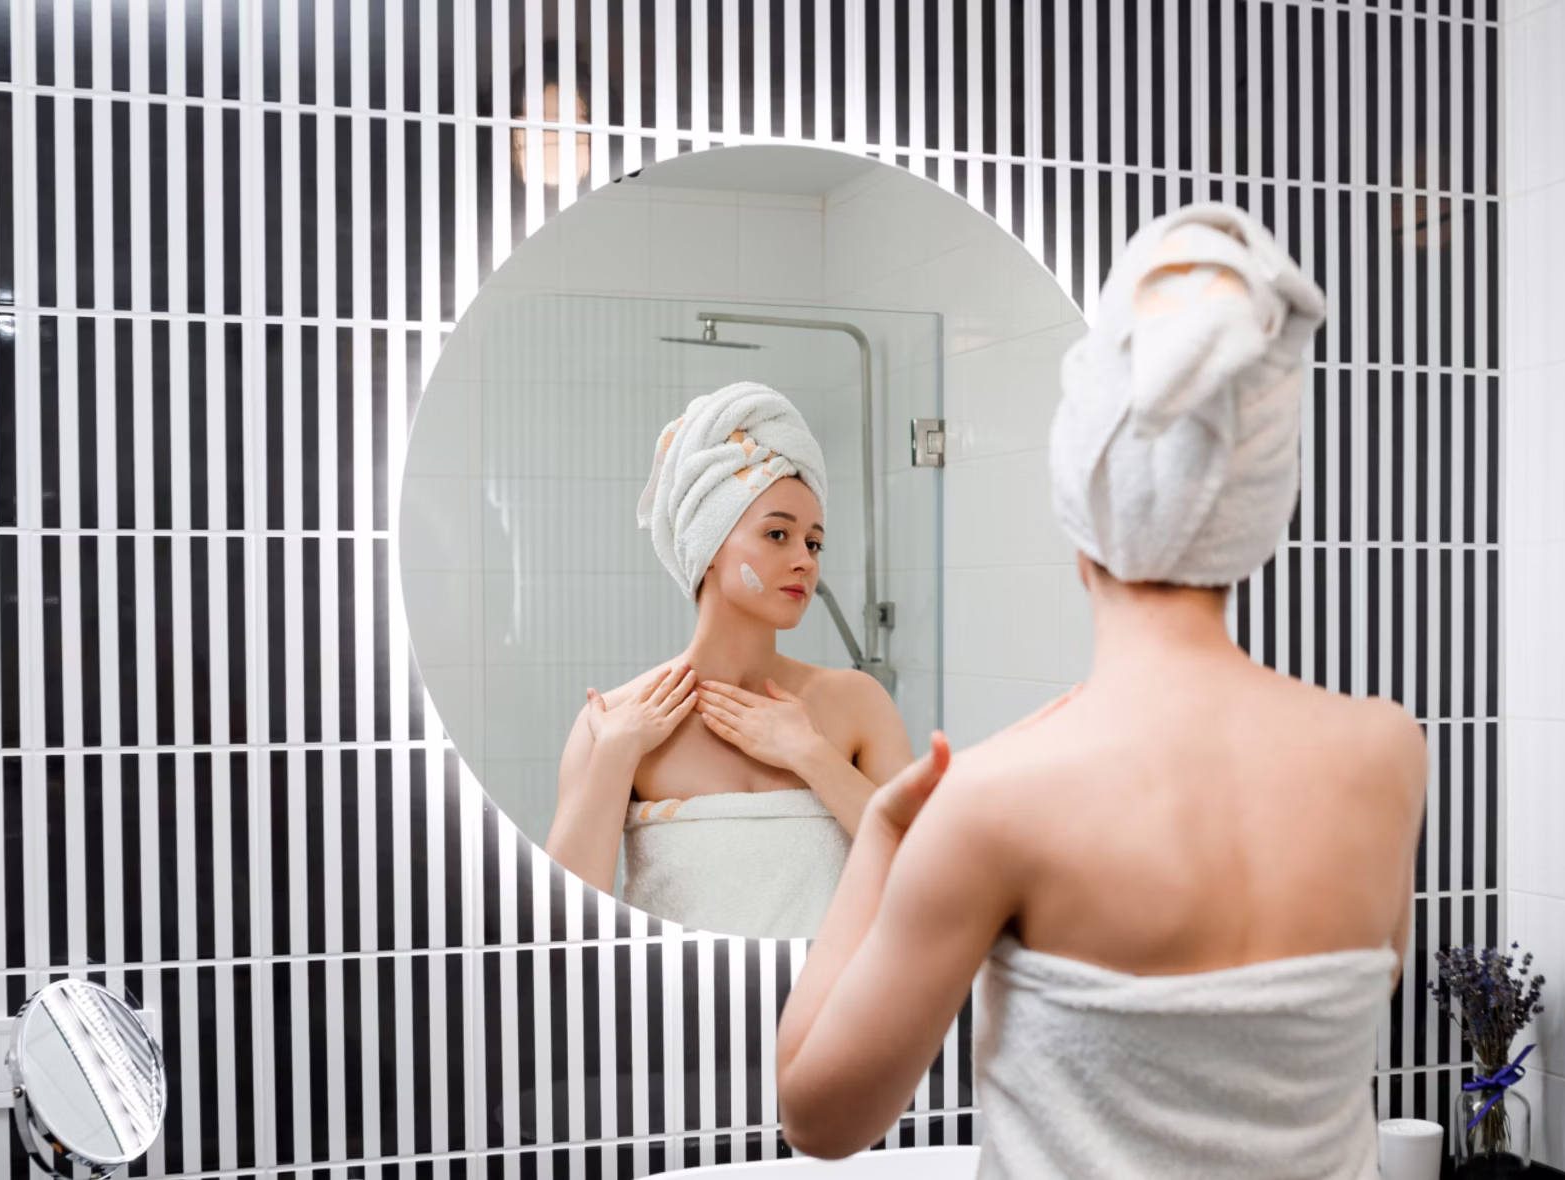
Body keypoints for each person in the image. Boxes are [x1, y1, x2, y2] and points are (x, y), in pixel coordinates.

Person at [775, 206, 1429, 1178]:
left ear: (1078, 497)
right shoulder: (1387, 751)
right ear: (1261, 507)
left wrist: (877, 831)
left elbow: (819, 1117)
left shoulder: (997, 800)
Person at [544, 382, 914, 938]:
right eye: (777, 534)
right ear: (708, 545)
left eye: (813, 543)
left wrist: (810, 755)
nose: (803, 561)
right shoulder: (614, 721)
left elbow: (929, 869)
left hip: (822, 1012)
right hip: (677, 1014)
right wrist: (617, 756)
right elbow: (563, 924)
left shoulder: (856, 703)